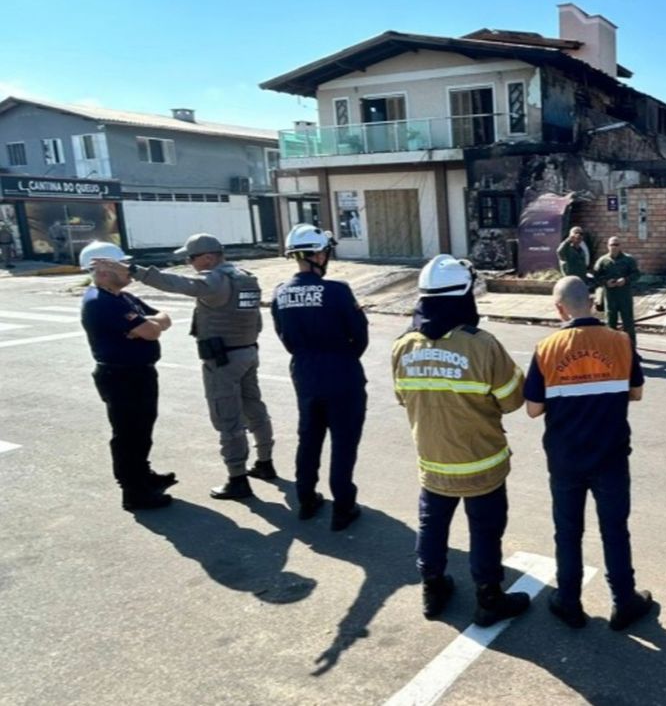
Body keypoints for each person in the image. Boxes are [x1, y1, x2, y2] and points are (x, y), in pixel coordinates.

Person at [392, 254, 531, 627]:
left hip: (433, 462)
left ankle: (432, 589)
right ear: (465, 297)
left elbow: (404, 398)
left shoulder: (403, 346)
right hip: (481, 462)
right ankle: (488, 597)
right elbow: (513, 400)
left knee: (432, 525)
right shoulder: (482, 345)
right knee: (485, 529)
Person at [100, 233, 274, 500]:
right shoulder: (244, 276)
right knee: (254, 407)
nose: (190, 263)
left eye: (191, 258)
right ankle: (264, 462)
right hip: (247, 351)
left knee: (227, 419)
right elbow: (255, 319)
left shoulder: (214, 280)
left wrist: (136, 272)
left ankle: (237, 478)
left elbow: (180, 284)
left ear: (207, 257)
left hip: (223, 358)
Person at [524, 276, 654, 631]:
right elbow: (636, 393)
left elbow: (533, 409)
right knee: (615, 530)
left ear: (558, 308)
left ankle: (568, 601)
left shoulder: (547, 348)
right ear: (594, 302)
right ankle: (624, 601)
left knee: (567, 531)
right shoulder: (620, 342)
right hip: (611, 455)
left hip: (565, 459)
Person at [270, 224, 369, 531]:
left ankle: (306, 499)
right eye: (325, 251)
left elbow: (284, 337)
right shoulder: (337, 291)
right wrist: (343, 356)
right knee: (343, 443)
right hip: (342, 374)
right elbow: (360, 336)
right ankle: (343, 506)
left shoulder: (280, 293)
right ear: (315, 254)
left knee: (309, 438)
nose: (327, 257)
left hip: (305, 374)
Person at [79, 241, 175, 511]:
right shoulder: (101, 301)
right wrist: (148, 327)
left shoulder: (122, 297)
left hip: (139, 373)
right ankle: (133, 491)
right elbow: (153, 331)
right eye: (123, 266)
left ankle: (143, 476)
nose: (129, 271)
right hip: (121, 376)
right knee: (128, 434)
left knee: (142, 431)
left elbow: (163, 318)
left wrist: (148, 325)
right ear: (104, 269)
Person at [592, 237, 640, 346]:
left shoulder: (628, 260)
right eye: (612, 245)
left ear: (620, 246)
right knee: (610, 324)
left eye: (616, 245)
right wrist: (605, 282)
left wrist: (625, 280)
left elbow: (636, 274)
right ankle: (610, 350)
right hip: (610, 297)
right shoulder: (602, 261)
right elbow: (595, 276)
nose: (614, 247)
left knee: (628, 323)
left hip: (625, 296)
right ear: (608, 246)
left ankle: (631, 350)